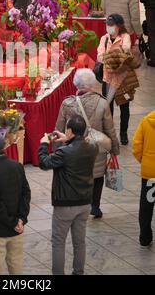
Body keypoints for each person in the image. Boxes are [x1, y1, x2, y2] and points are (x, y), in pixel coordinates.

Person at [56, 68, 120, 219]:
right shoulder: (102, 103)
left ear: (75, 84)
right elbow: (109, 128)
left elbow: (59, 128)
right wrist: (114, 148)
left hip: (73, 148)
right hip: (96, 147)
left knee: (76, 176)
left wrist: (57, 150)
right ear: (92, 83)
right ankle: (95, 206)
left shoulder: (67, 103)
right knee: (97, 176)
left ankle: (78, 205)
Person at [38, 115, 98, 275]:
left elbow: (44, 163)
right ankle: (78, 272)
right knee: (80, 242)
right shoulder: (93, 147)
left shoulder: (64, 152)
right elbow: (78, 149)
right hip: (85, 203)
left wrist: (44, 144)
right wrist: (68, 139)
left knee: (58, 243)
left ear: (70, 130)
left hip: (65, 204)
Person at [0, 132, 31, 275]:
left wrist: (12, 222)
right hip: (17, 228)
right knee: (16, 265)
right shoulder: (17, 166)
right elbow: (26, 194)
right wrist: (21, 219)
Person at [97, 14, 139, 146]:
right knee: (107, 109)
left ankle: (123, 134)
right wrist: (114, 57)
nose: (109, 27)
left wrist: (109, 58)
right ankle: (109, 134)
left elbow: (125, 51)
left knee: (124, 108)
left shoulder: (125, 37)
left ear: (118, 26)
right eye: (107, 25)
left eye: (111, 25)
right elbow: (99, 56)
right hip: (107, 79)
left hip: (122, 80)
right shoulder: (104, 39)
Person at [133, 110, 155, 248]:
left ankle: (145, 237)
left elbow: (136, 146)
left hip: (150, 173)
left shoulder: (146, 121)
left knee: (147, 205)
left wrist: (145, 160)